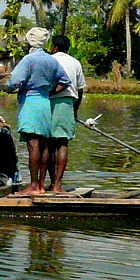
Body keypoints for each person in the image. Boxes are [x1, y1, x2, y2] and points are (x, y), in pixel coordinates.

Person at [3, 27, 68, 196]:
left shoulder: (29, 59)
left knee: (33, 144)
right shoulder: (52, 61)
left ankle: (33, 186)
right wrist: (50, 90)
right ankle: (40, 184)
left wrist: (10, 88)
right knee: (44, 144)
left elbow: (14, 81)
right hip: (45, 103)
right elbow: (65, 80)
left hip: (31, 102)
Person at [47, 34, 87, 194]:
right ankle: (57, 184)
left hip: (49, 101)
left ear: (54, 47)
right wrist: (75, 110)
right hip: (67, 103)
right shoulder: (75, 63)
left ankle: (51, 183)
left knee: (49, 145)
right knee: (62, 143)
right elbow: (80, 89)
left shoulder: (49, 60)